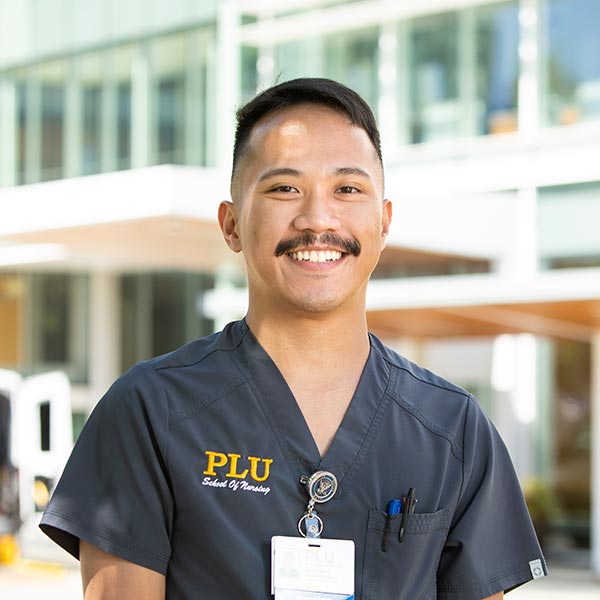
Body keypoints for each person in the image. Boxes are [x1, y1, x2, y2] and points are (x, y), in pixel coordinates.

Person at [40, 78, 546, 599]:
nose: (317, 219)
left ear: (384, 221)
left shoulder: (453, 429)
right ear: (232, 224)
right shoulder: (149, 410)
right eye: (284, 188)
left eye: (347, 189)